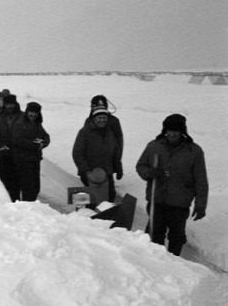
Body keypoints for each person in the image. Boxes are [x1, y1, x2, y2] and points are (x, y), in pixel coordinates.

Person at [135, 114, 208, 256]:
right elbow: (140, 166)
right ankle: (155, 262)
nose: (172, 134)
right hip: (157, 200)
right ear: (164, 130)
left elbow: (201, 180)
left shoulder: (193, 151)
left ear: (183, 132)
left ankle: (174, 263)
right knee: (154, 234)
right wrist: (149, 172)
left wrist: (201, 205)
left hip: (179, 203)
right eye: (169, 130)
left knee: (176, 236)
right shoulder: (154, 146)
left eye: (176, 130)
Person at [72, 104, 122, 203]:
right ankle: (83, 216)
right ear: (94, 119)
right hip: (90, 172)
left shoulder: (109, 132)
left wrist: (118, 168)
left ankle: (106, 216)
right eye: (99, 118)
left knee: (110, 195)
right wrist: (86, 171)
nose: (102, 120)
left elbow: (115, 152)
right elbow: (77, 153)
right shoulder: (84, 132)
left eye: (104, 118)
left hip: (106, 171)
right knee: (91, 199)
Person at [12, 102, 50, 201]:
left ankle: (31, 205)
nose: (33, 114)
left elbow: (46, 136)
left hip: (35, 159)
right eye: (31, 112)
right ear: (27, 112)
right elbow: (18, 140)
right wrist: (35, 145)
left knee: (36, 187)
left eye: (35, 113)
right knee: (28, 187)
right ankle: (27, 206)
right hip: (23, 160)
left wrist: (44, 143)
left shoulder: (37, 124)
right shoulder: (20, 124)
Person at [0, 94, 23, 202]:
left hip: (19, 154)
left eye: (12, 104)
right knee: (5, 179)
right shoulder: (0, 117)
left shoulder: (22, 116)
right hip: (4, 154)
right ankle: (9, 199)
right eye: (8, 104)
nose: (10, 107)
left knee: (18, 180)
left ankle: (16, 199)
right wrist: (1, 145)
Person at [84, 95, 124, 160]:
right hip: (90, 161)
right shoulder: (88, 121)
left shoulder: (114, 121)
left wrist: (116, 161)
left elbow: (119, 143)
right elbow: (83, 143)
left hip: (109, 161)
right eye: (95, 106)